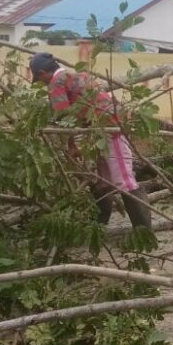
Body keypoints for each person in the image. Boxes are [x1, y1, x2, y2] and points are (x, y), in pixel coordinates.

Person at [29, 52, 151, 228]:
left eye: (39, 79)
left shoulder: (56, 83)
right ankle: (98, 228)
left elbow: (64, 118)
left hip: (110, 129)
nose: (41, 82)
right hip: (100, 130)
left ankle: (144, 233)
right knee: (102, 181)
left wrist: (71, 145)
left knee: (124, 180)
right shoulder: (79, 76)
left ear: (42, 73)